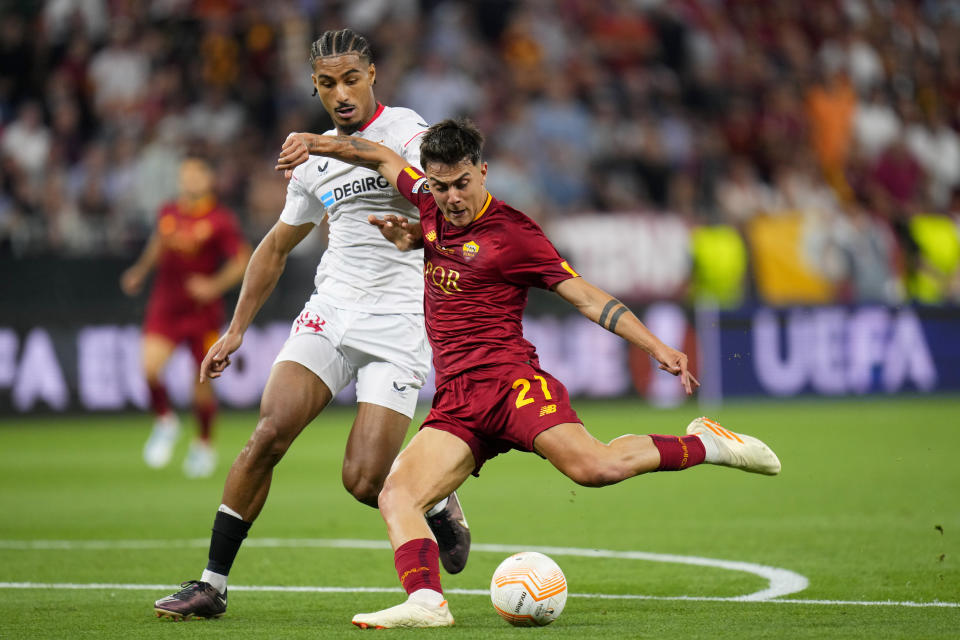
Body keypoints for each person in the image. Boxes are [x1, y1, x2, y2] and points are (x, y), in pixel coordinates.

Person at [274, 118, 782, 629]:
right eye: (440, 185)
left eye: (462, 184)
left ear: (483, 172)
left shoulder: (514, 234)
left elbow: (584, 296)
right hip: (457, 398)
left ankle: (706, 443)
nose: (451, 197)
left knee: (595, 469)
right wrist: (324, 151)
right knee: (396, 494)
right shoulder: (427, 206)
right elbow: (381, 157)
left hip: (512, 385)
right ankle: (427, 602)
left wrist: (654, 345)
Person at [152, 29, 470, 621]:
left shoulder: (408, 130)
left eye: (352, 78)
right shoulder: (309, 162)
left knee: (363, 479)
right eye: (328, 84)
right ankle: (211, 585)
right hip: (331, 309)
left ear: (372, 74)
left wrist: (324, 146)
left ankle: (437, 500)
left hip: (399, 319)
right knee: (268, 433)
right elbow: (275, 247)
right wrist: (236, 328)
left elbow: (442, 196)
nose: (341, 93)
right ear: (316, 87)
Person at [121, 155, 251, 478]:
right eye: (185, 173)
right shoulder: (169, 212)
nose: (189, 179)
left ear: (208, 180)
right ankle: (165, 420)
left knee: (201, 384)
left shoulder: (220, 220)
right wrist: (140, 271)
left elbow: (242, 260)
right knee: (149, 367)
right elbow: (158, 245)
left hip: (202, 314)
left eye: (196, 173)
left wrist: (213, 285)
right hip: (165, 307)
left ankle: (204, 444)